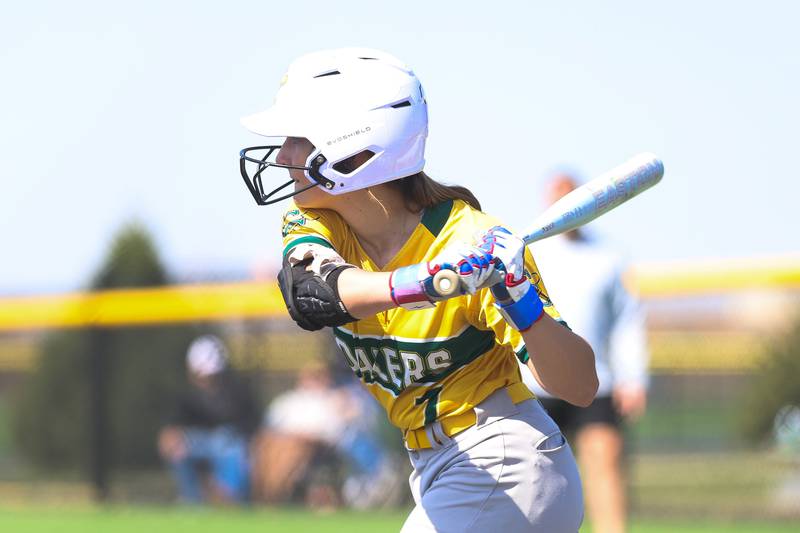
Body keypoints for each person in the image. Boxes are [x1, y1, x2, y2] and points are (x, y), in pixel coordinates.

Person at [238, 48, 598, 531]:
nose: (282, 155)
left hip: (508, 465)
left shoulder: (469, 240)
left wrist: (520, 299)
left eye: (297, 137)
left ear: (354, 149)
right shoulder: (317, 220)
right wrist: (426, 283)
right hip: (437, 469)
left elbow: (580, 386)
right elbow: (313, 294)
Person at [520, 173, 650, 533]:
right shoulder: (528, 254)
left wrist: (634, 378)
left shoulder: (608, 259)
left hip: (596, 382)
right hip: (536, 383)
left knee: (603, 462)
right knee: (532, 477)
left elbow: (628, 322)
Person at [158, 335, 260, 505]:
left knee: (229, 446)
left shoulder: (238, 390)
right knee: (178, 448)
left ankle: (230, 499)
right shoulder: (188, 395)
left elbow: (250, 426)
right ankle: (193, 503)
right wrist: (170, 438)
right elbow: (173, 428)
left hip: (231, 445)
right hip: (200, 442)